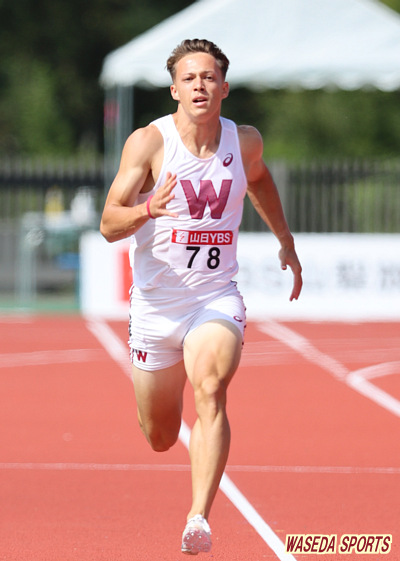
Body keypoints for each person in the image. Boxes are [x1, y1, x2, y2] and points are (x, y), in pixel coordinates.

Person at [100, 38, 302, 555]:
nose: (199, 86)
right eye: (189, 79)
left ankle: (198, 518)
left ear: (224, 88)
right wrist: (147, 210)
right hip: (155, 306)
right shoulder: (149, 143)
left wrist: (285, 240)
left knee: (211, 388)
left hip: (214, 298)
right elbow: (108, 223)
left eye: (209, 78)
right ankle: (160, 417)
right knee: (160, 436)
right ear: (174, 90)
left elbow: (259, 180)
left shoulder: (244, 142)